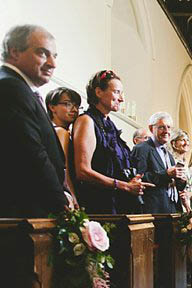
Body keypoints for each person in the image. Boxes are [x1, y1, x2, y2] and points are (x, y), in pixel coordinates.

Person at [0, 24, 70, 217]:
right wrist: (61, 202)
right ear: (14, 52)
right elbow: (32, 153)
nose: (52, 64)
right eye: (42, 53)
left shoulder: (20, 88)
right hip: (23, 211)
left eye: (54, 56)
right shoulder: (11, 88)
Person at [72, 70, 150, 214]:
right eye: (117, 92)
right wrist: (125, 186)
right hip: (99, 206)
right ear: (99, 92)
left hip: (118, 204)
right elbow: (82, 171)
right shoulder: (86, 121)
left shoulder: (110, 125)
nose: (121, 99)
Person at [131, 112, 187, 214]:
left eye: (168, 127)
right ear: (151, 128)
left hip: (172, 208)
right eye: (162, 127)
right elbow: (139, 178)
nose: (166, 131)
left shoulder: (169, 155)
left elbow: (174, 184)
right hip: (153, 209)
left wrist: (181, 180)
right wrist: (166, 174)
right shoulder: (141, 149)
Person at [45, 86, 82, 207]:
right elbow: (63, 170)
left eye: (77, 106)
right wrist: (73, 196)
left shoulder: (53, 130)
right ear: (52, 107)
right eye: (67, 104)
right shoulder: (61, 132)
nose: (74, 109)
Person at [169, 128, 192, 211]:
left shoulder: (185, 162)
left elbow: (190, 186)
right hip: (175, 202)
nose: (186, 143)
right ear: (173, 143)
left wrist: (188, 194)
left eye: (188, 140)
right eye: (183, 140)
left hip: (187, 202)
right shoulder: (171, 161)